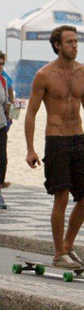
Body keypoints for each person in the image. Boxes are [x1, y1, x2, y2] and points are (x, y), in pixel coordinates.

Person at [25, 25, 84, 269]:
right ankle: (58, 252)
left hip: (79, 139)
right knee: (61, 197)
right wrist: (30, 149)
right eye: (69, 42)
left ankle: (68, 245)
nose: (74, 46)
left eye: (76, 41)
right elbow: (31, 113)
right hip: (56, 140)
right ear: (57, 46)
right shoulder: (44, 75)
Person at [0, 60, 11, 208]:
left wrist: (13, 108)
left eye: (1, 64)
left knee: (2, 159)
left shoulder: (3, 80)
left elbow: (6, 102)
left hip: (1, 125)